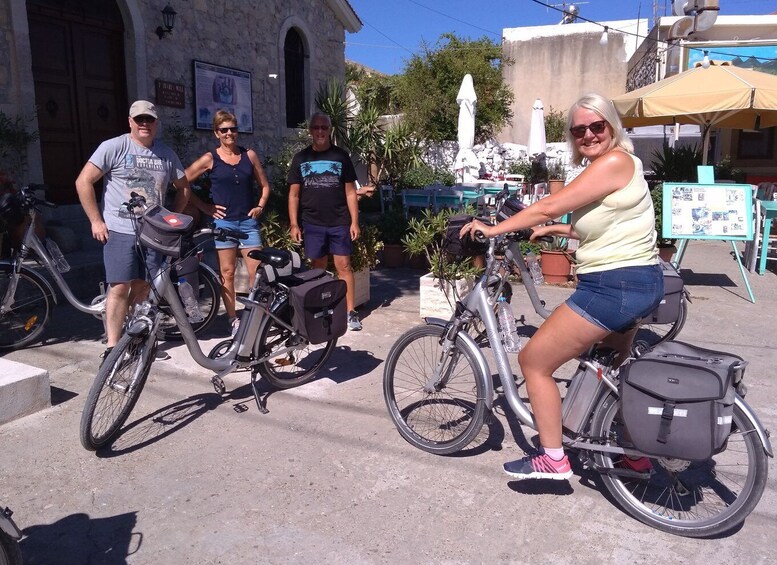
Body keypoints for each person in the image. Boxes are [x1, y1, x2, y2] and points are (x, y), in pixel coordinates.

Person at [460, 93, 664, 480]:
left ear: (612, 127)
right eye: (579, 129)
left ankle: (552, 459)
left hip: (613, 286)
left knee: (534, 362)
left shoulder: (615, 161)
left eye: (596, 126)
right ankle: (631, 452)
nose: (588, 134)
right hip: (637, 283)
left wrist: (494, 228)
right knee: (606, 370)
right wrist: (558, 230)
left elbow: (549, 204)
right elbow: (607, 223)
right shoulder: (620, 166)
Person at [75, 100, 191, 360]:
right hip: (119, 229)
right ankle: (112, 347)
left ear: (156, 123)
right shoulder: (113, 147)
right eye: (139, 119)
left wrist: (173, 218)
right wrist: (96, 220)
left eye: (149, 120)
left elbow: (183, 188)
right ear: (130, 121)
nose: (144, 124)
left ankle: (136, 337)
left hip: (153, 232)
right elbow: (83, 181)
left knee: (142, 288)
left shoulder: (166, 154)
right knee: (118, 288)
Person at [185, 110, 271, 336]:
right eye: (224, 130)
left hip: (248, 223)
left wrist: (260, 205)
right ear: (216, 133)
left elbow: (265, 185)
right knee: (227, 273)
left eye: (233, 128)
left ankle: (255, 316)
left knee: (257, 272)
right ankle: (233, 320)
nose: (229, 133)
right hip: (224, 225)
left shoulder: (249, 155)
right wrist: (205, 207)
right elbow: (181, 182)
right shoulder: (210, 159)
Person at [287, 112, 368, 331]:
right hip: (312, 223)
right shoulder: (300, 159)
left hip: (339, 222)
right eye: (316, 127)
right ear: (310, 131)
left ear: (329, 130)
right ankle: (321, 309)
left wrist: (354, 222)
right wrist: (294, 224)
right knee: (317, 268)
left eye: (324, 127)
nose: (320, 131)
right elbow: (293, 195)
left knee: (344, 267)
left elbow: (351, 193)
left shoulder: (341, 157)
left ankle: (351, 313)